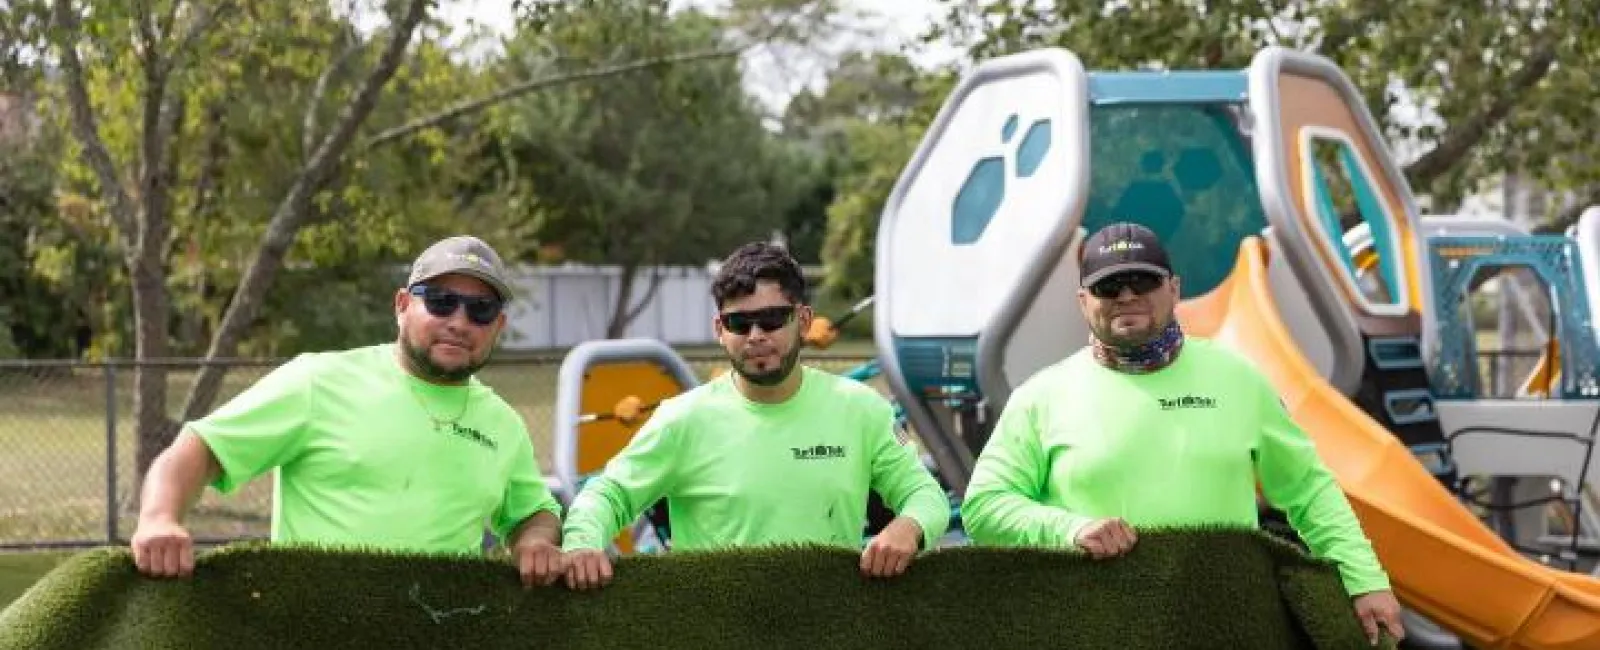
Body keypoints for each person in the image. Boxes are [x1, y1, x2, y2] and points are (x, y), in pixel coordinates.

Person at [960, 222, 1406, 645]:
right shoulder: (1041, 395)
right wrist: (1069, 531)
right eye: (1109, 287)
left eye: (1143, 281)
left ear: (1174, 289)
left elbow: (1309, 491)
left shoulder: (1239, 379)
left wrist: (1363, 579)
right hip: (1094, 628)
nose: (1127, 295)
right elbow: (984, 508)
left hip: (1225, 625)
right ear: (1083, 301)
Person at [129, 235, 566, 588]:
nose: (459, 320)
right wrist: (159, 520)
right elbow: (198, 449)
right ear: (401, 306)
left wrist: (536, 543)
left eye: (481, 309)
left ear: (498, 327)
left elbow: (534, 512)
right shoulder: (318, 382)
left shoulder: (503, 424)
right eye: (439, 300)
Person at [560, 242, 950, 590]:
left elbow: (926, 496)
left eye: (772, 319)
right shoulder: (681, 419)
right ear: (719, 329)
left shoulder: (862, 410)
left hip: (827, 629)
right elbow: (606, 495)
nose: (756, 335)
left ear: (804, 319)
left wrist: (908, 526)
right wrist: (582, 543)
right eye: (739, 323)